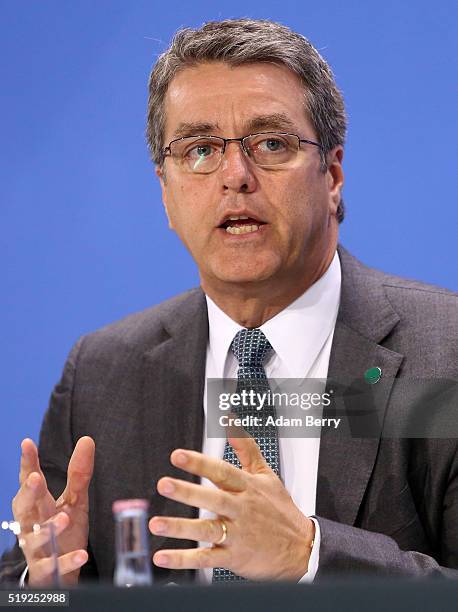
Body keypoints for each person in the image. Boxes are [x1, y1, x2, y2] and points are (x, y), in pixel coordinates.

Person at [2, 18, 457, 587]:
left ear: (333, 175)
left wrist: (312, 557)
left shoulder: (446, 352)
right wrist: (43, 591)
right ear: (165, 194)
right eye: (199, 150)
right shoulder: (102, 373)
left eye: (271, 144)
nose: (235, 176)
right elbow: (26, 589)